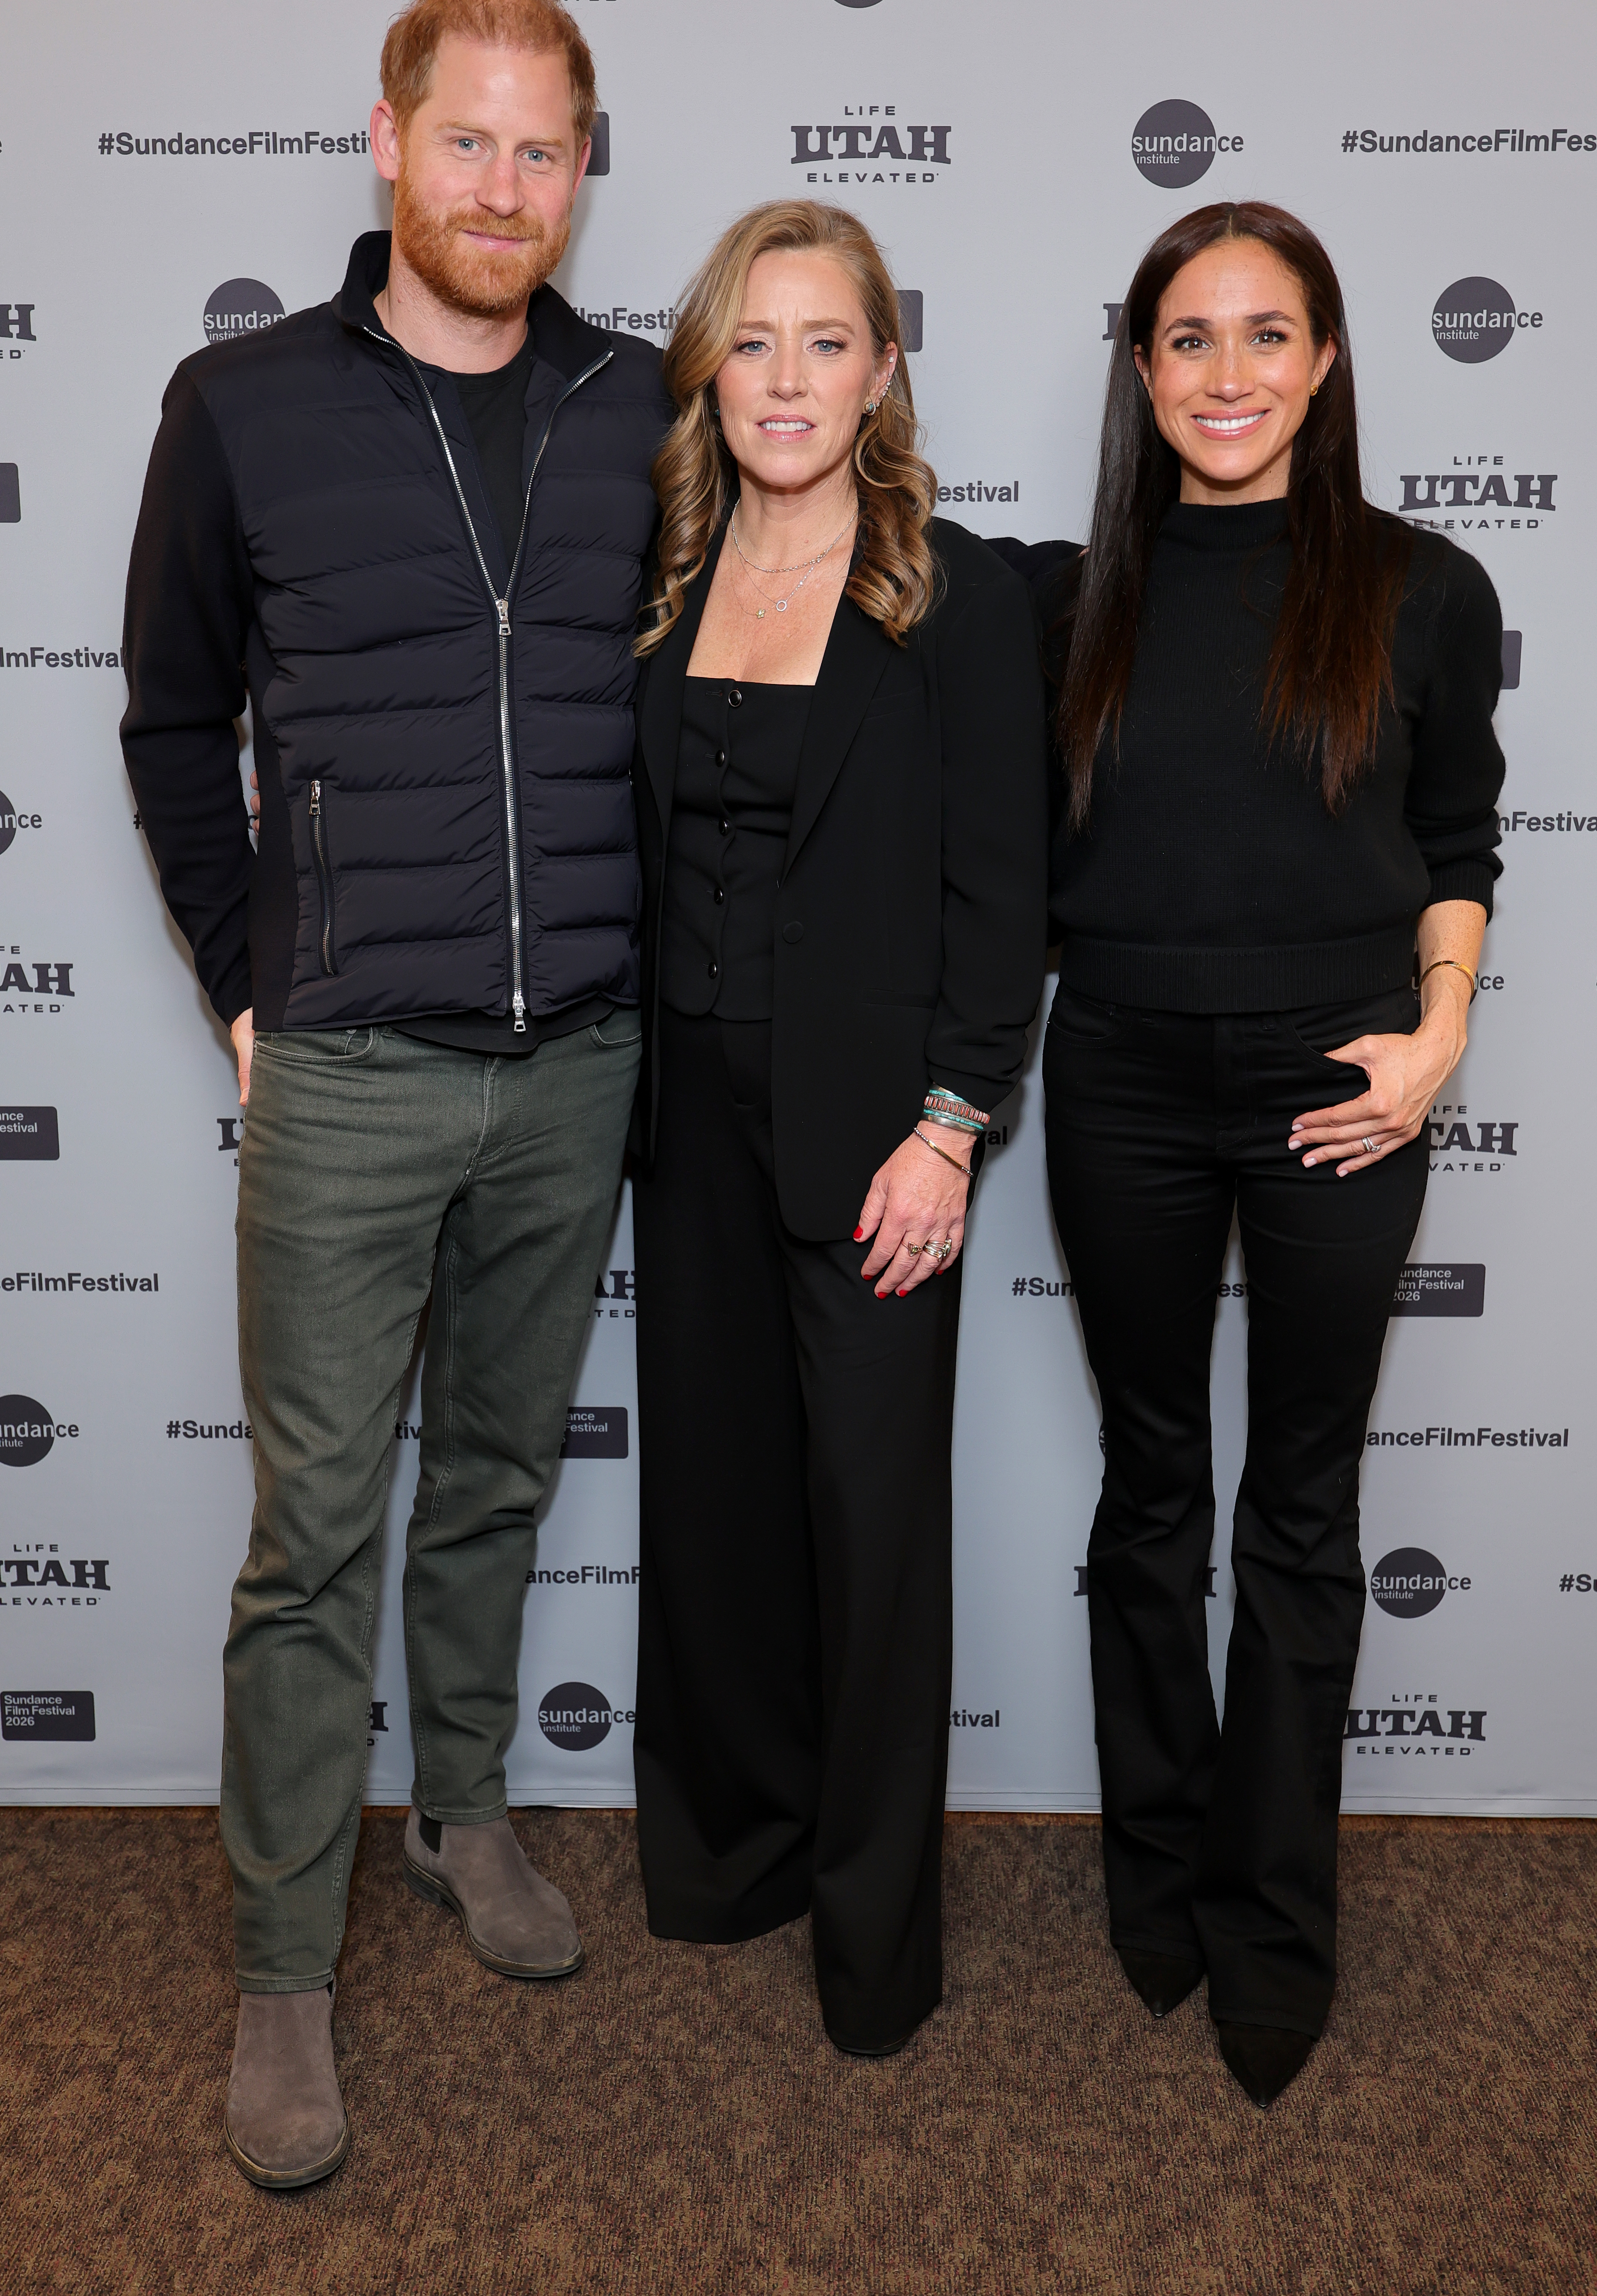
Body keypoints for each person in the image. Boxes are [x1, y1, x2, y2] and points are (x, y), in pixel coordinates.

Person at [120, 0, 670, 2188]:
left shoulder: (654, 404)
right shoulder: (240, 401)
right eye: (472, 141)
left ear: (578, 170)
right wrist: (240, 970)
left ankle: (460, 1808)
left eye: (546, 150)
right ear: (386, 139)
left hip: (579, 1065)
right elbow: (173, 720)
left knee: (498, 1484)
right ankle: (281, 1957)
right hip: (344, 1064)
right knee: (310, 1537)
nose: (507, 187)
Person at [987, 201, 1504, 2109]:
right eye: (1190, 340)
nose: (1229, 375)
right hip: (1115, 1074)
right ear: (1142, 371)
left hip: (1341, 1090)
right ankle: (1162, 1874)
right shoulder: (1067, 603)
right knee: (1152, 1491)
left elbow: (1461, 844)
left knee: (1298, 1510)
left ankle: (1277, 1925)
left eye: (1267, 336)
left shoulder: (1419, 587)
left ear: (1328, 359)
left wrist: (1437, 1042)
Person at [628, 201, 1047, 2056]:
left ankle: (876, 1948)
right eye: (752, 342)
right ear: (710, 371)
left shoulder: (952, 595)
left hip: (875, 1133)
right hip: (684, 1127)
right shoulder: (663, 576)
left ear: (884, 371)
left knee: (871, 1536)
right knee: (717, 1514)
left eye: (826, 342)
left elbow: (1002, 895)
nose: (785, 380)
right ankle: (733, 1861)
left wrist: (952, 1127)